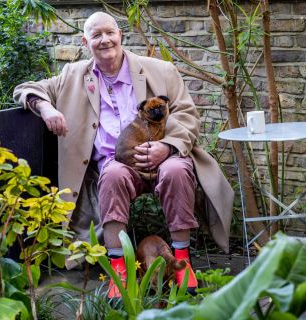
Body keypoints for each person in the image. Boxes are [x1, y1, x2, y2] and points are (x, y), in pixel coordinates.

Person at [13, 12, 234, 298]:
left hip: (164, 157)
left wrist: (166, 148)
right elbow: (25, 89)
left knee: (176, 170)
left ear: (121, 35)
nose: (105, 40)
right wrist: (46, 108)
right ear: (85, 41)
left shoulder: (160, 70)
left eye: (110, 33)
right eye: (96, 35)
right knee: (113, 174)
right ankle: (118, 265)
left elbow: (188, 115)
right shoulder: (73, 76)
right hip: (117, 165)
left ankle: (182, 262)